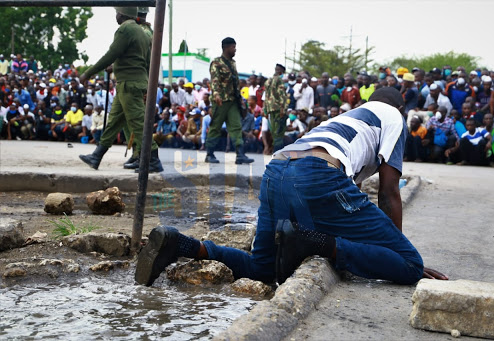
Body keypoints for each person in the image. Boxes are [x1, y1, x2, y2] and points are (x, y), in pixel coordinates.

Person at [134, 87, 447, 287]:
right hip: (317, 174)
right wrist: (394, 252)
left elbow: (343, 205)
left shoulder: (347, 117)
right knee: (410, 264)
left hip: (277, 170)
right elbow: (389, 191)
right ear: (400, 107)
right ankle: (314, 243)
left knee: (261, 269)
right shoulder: (394, 117)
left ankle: (183, 245)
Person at [78, 7, 163, 173]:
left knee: (137, 122)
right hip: (133, 82)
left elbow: (112, 54)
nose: (116, 15)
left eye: (117, 12)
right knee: (114, 121)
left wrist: (88, 73)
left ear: (122, 14)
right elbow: (145, 60)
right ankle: (97, 155)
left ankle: (153, 158)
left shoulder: (125, 29)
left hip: (128, 84)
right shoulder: (142, 31)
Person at [204, 37, 253, 165]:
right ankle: (209, 154)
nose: (235, 50)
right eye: (233, 47)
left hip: (232, 101)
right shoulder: (216, 63)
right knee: (215, 127)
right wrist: (216, 94)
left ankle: (240, 154)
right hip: (220, 100)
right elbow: (214, 80)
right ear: (226, 47)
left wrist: (241, 99)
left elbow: (235, 83)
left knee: (236, 126)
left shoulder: (232, 63)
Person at [264, 63, 288, 152]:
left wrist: (265, 109)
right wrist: (283, 109)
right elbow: (282, 96)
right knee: (279, 131)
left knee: (274, 131)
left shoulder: (268, 81)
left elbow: (266, 96)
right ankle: (277, 152)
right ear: (282, 72)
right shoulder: (280, 80)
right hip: (278, 108)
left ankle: (275, 151)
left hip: (270, 108)